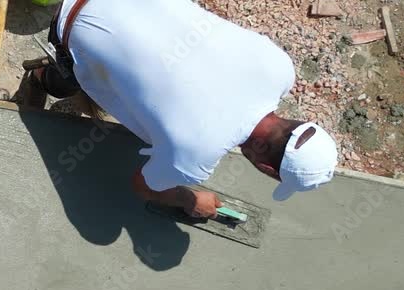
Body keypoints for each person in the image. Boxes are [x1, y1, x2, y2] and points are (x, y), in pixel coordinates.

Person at [28, 0, 339, 218]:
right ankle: (44, 78)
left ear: (302, 121)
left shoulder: (281, 68)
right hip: (70, 21)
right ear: (267, 169)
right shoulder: (194, 158)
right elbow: (142, 186)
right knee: (80, 85)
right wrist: (189, 198)